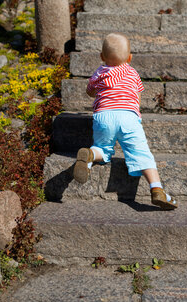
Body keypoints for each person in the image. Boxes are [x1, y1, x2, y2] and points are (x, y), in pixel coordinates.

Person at [73, 33, 178, 210]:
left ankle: (91, 155)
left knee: (103, 148)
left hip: (104, 115)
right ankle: (157, 188)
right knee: (142, 153)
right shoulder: (132, 72)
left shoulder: (100, 73)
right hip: (128, 117)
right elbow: (137, 96)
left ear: (101, 57)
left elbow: (90, 91)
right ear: (129, 58)